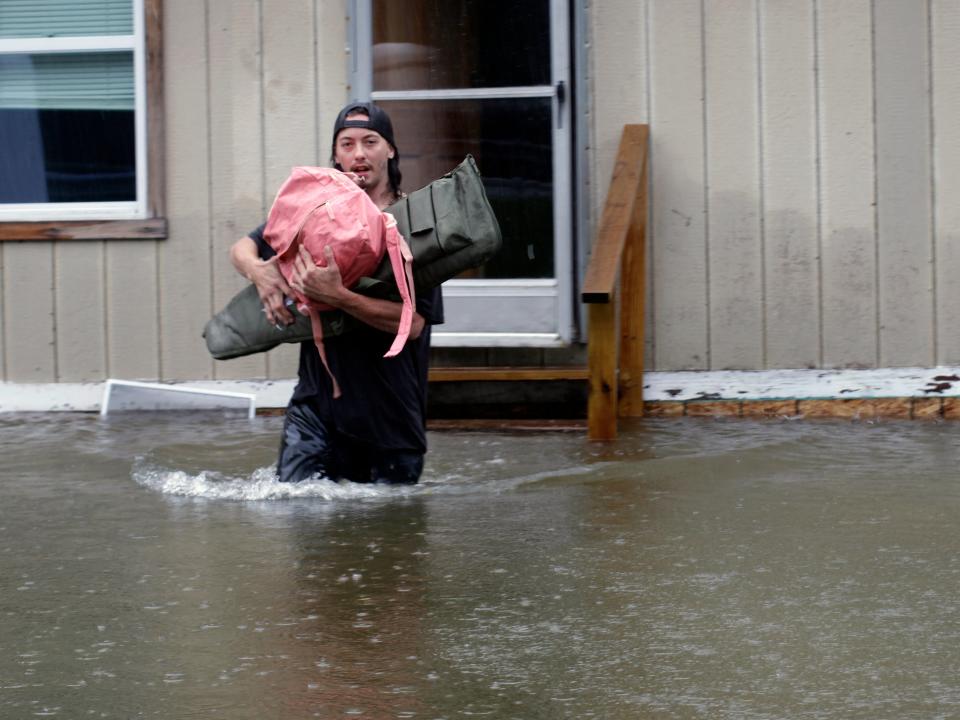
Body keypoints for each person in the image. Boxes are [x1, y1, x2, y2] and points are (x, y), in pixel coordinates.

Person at [229, 101, 443, 485]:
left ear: (390, 149)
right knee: (296, 516)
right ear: (335, 154)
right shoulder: (314, 214)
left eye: (370, 141)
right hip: (315, 411)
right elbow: (242, 248)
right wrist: (260, 273)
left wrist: (339, 296)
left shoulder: (416, 227)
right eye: (347, 144)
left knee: (392, 537)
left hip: (389, 420)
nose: (358, 153)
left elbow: (412, 326)